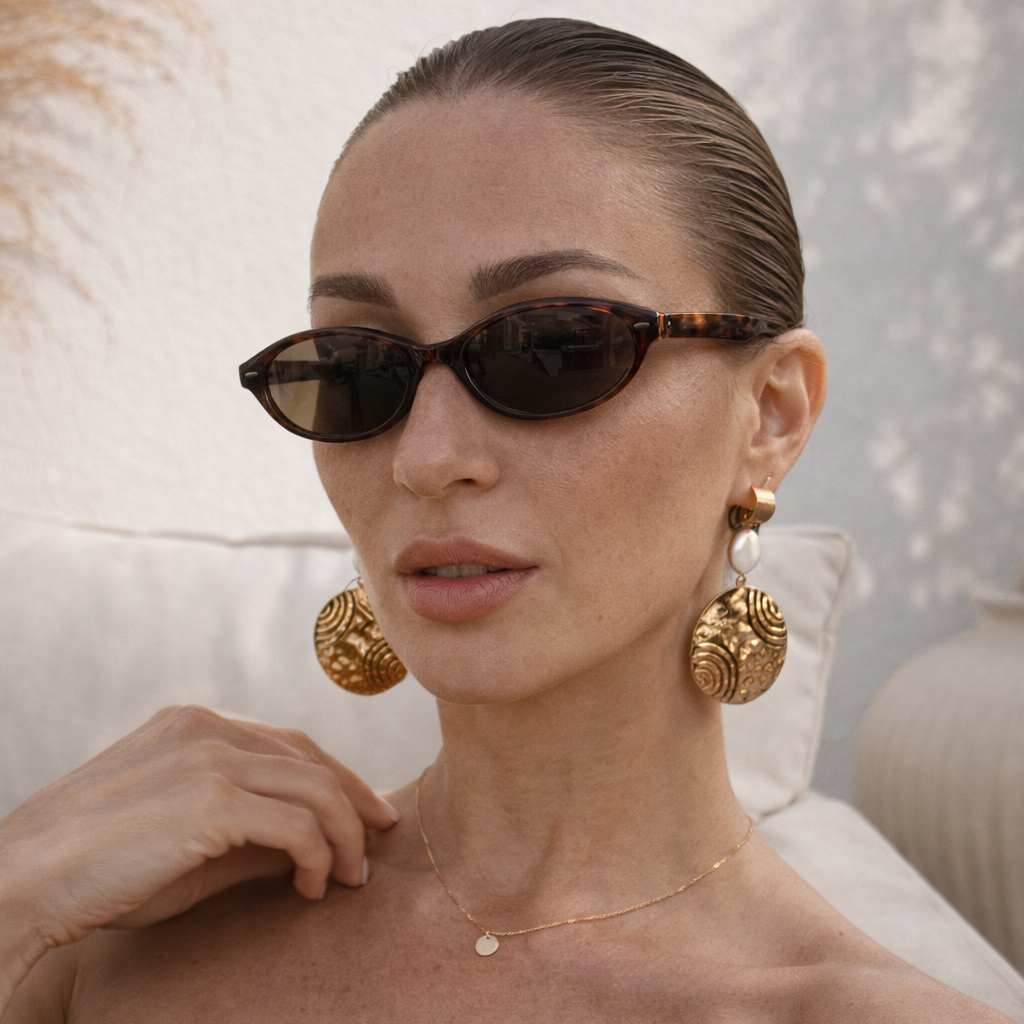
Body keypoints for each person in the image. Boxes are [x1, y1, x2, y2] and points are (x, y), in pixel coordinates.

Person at [0, 19, 1009, 1022]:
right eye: (357, 367)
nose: (427, 456)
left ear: (770, 414)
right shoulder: (97, 944)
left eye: (554, 347)